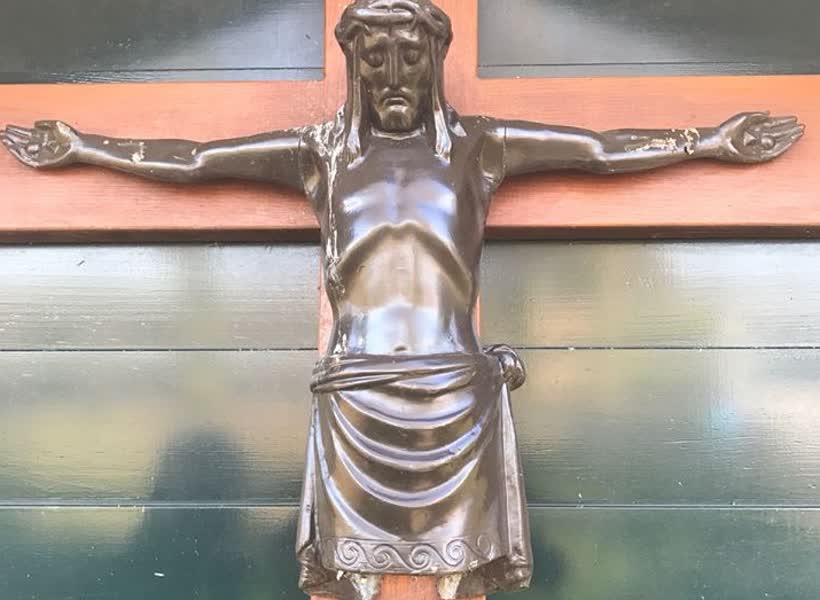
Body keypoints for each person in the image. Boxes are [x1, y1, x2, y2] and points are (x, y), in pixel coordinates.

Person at [0, 1, 804, 598]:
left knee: (457, 578)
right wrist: (85, 148)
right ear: (354, 67)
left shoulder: (481, 148)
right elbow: (197, 160)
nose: (392, 77)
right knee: (354, 578)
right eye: (375, 59)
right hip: (356, 397)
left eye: (409, 58)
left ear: (435, 62)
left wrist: (709, 140)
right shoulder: (320, 154)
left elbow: (597, 150)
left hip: (454, 394)